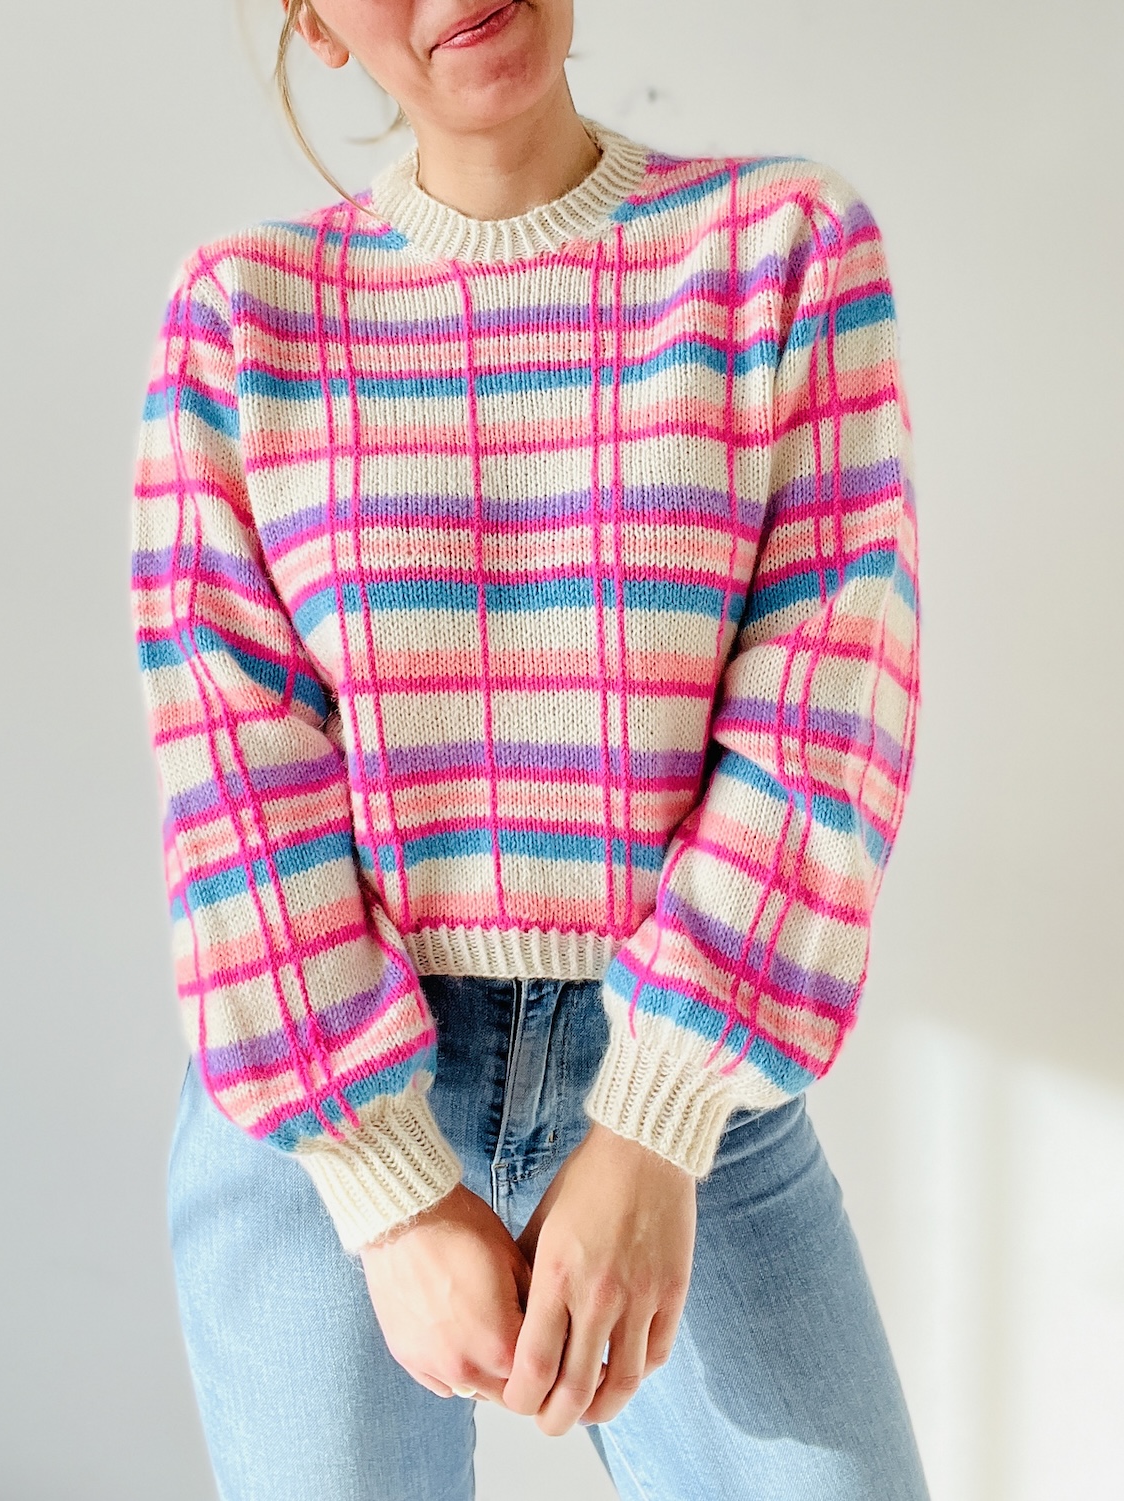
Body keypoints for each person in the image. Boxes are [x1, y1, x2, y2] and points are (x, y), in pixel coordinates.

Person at [128, 1, 929, 1496]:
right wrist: (382, 1177)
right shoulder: (244, 313)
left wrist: (653, 1122)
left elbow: (834, 692)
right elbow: (230, 767)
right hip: (325, 1111)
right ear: (312, 24)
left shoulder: (783, 250)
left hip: (689, 1076)